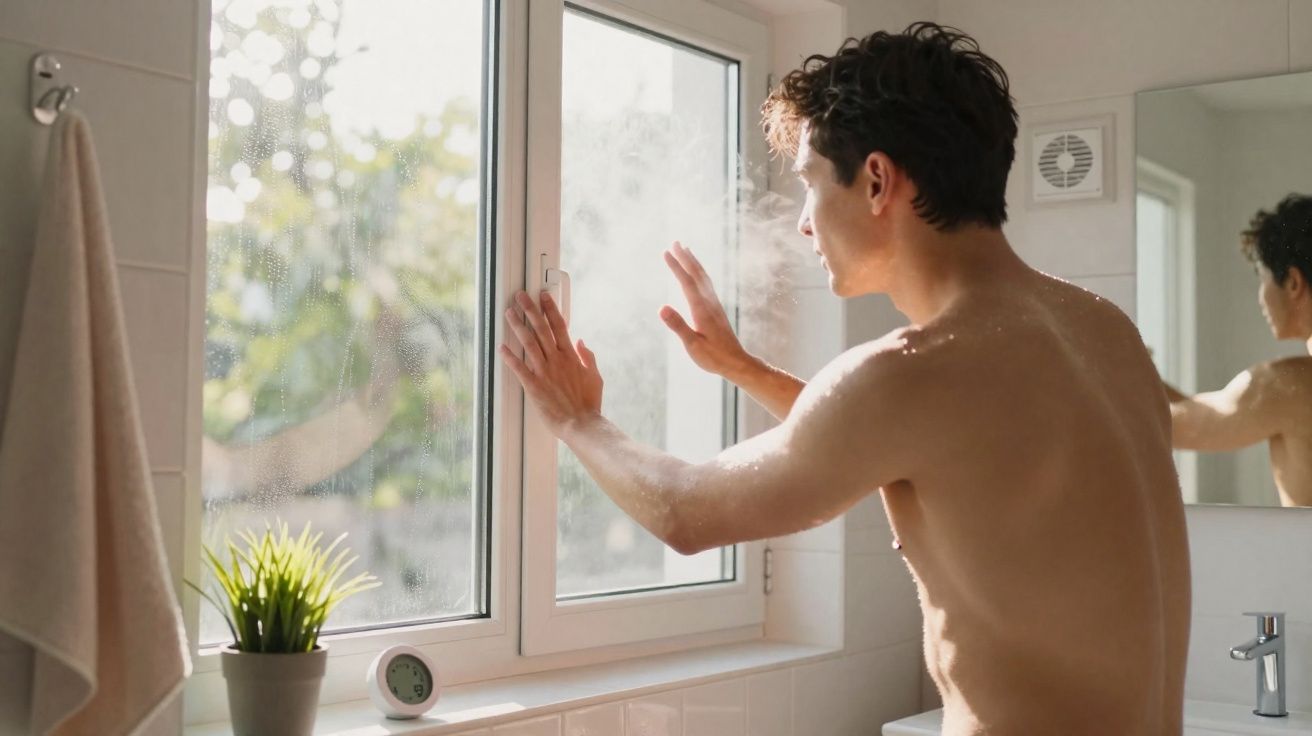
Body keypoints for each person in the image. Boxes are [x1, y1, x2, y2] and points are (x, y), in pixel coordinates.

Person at [499, 22, 1189, 735]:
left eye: (810, 183)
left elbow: (685, 512)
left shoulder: (914, 373)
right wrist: (743, 368)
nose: (804, 223)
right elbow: (930, 445)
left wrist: (578, 420)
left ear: (877, 181)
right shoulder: (1103, 331)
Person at [1166, 194, 1312, 507]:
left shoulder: (1286, 385)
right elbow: (1201, 411)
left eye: (1262, 278)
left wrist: (1123, 361)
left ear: (1293, 282)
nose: (1261, 297)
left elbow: (1172, 425)